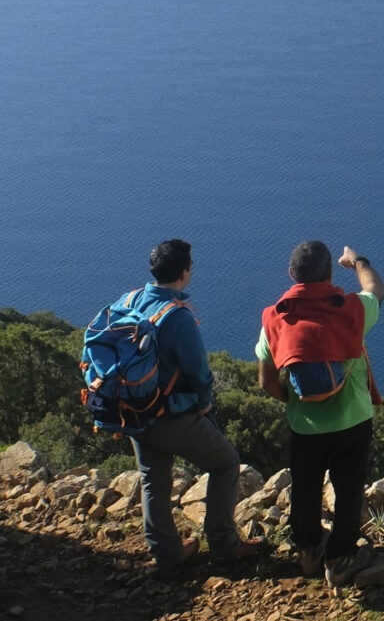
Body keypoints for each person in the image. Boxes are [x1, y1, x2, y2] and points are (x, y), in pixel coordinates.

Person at [125, 238, 266, 578]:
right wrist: (203, 404)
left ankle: (167, 555)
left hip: (132, 410)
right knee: (225, 462)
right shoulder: (176, 317)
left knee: (152, 481)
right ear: (185, 272)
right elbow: (199, 372)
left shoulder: (129, 301)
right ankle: (224, 544)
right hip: (169, 414)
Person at [259, 239, 384, 585]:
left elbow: (266, 381)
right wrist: (357, 260)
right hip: (353, 420)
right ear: (331, 273)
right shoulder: (351, 309)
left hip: (305, 426)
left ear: (291, 274)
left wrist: (296, 401)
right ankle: (341, 557)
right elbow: (376, 289)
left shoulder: (274, 318)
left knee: (305, 487)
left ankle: (308, 552)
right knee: (348, 490)